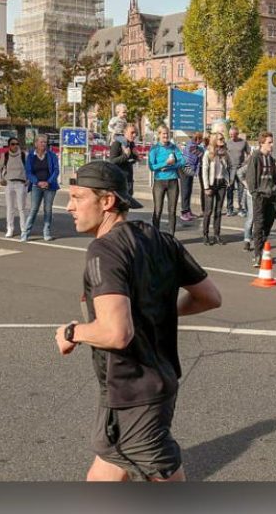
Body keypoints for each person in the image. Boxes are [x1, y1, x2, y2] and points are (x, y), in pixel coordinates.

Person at [58, 161, 221, 481]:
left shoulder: (104, 251)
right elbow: (209, 297)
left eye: (77, 197)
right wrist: (156, 310)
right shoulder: (162, 239)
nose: (69, 206)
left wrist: (71, 332)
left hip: (133, 391)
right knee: (103, 476)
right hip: (150, 385)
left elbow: (115, 332)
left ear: (107, 201)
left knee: (164, 479)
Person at [245, 131, 276, 268]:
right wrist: (255, 194)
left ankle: (262, 247)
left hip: (271, 196)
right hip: (260, 196)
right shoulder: (255, 157)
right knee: (259, 225)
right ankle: (258, 254)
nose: (272, 145)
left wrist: (275, 191)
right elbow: (250, 178)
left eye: (272, 142)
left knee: (268, 224)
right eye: (269, 142)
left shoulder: (271, 159)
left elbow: (275, 177)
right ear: (262, 143)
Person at [22, 134, 60, 242]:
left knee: (48, 210)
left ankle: (46, 232)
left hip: (50, 186)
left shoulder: (52, 155)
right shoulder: (31, 156)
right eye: (41, 142)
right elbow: (28, 172)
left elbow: (56, 170)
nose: (44, 144)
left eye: (45, 142)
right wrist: (37, 182)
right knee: (34, 209)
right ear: (36, 143)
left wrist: (48, 182)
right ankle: (25, 233)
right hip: (36, 185)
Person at [149, 125, 185, 236]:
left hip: (173, 181)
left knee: (172, 210)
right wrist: (164, 163)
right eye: (163, 133)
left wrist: (170, 166)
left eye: (167, 133)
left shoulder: (173, 147)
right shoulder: (154, 149)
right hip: (159, 182)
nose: (166, 136)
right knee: (158, 210)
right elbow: (151, 166)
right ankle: (155, 236)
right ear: (159, 135)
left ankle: (171, 236)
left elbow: (182, 161)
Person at [201, 131, 232, 246]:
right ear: (214, 141)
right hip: (211, 183)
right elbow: (204, 170)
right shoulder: (208, 153)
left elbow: (229, 167)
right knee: (208, 211)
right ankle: (205, 235)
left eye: (223, 139)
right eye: (220, 139)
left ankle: (217, 235)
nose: (222, 141)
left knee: (218, 210)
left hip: (221, 183)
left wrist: (228, 179)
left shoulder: (225, 153)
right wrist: (206, 187)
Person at [0, 137, 27, 238]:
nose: (15, 146)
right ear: (9, 145)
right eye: (13, 144)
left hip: (20, 184)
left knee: (21, 208)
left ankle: (24, 230)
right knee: (10, 208)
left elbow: (29, 168)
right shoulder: (5, 155)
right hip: (9, 183)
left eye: (17, 144)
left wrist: (28, 180)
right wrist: (0, 179)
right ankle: (10, 228)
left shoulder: (23, 155)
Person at [108, 123, 140, 198]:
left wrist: (136, 157)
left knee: (128, 202)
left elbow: (129, 162)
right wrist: (125, 155)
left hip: (129, 180)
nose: (134, 135)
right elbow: (112, 161)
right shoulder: (117, 144)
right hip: (119, 180)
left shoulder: (131, 144)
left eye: (135, 133)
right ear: (125, 132)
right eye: (132, 133)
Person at [179, 132, 204, 222]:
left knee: (189, 191)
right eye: (201, 139)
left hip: (189, 170)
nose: (202, 141)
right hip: (185, 170)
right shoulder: (192, 146)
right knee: (185, 191)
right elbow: (201, 155)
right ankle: (184, 212)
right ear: (197, 139)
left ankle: (188, 211)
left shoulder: (193, 145)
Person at [226, 126, 249, 217]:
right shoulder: (227, 143)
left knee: (241, 190)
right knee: (229, 189)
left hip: (240, 169)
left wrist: (245, 163)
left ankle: (240, 209)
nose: (231, 136)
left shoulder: (243, 142)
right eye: (230, 134)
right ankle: (229, 209)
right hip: (230, 169)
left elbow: (249, 154)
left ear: (237, 134)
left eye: (233, 134)